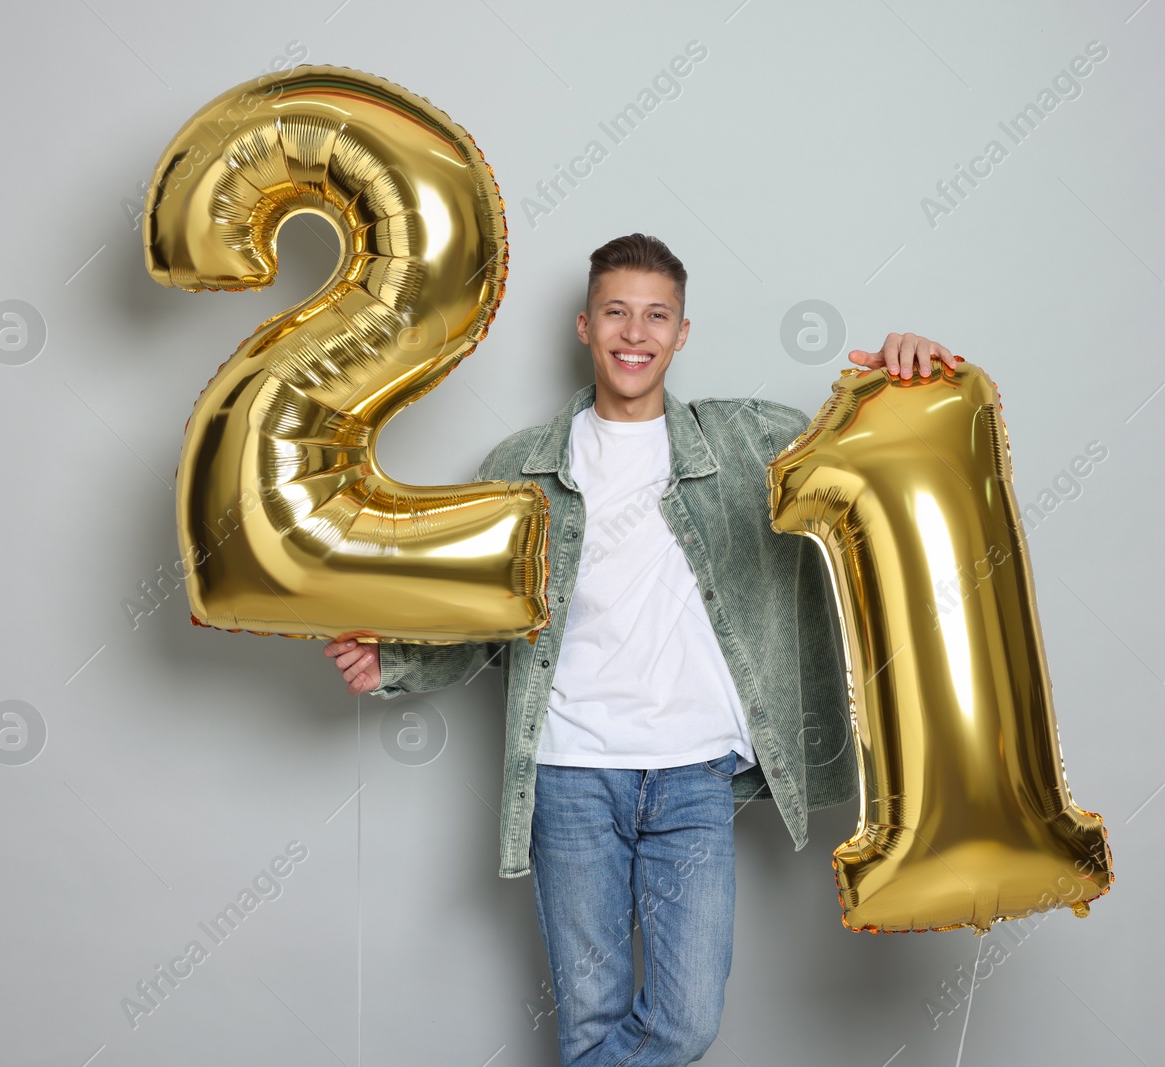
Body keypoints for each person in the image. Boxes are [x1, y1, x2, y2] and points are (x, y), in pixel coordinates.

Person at [325, 234, 957, 1066]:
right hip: (570, 777)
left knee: (684, 1022)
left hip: (694, 777)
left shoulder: (746, 445)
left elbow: (863, 458)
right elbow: (485, 619)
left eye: (656, 315)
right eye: (617, 312)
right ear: (585, 326)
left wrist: (915, 371)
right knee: (588, 1024)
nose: (636, 332)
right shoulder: (521, 469)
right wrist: (399, 659)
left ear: (682, 333)